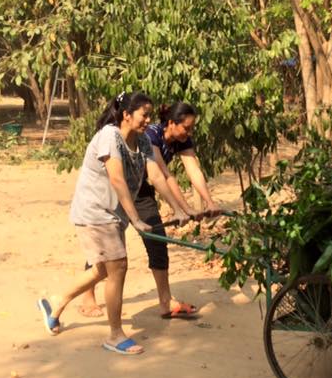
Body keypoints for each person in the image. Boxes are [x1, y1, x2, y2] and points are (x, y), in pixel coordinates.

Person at [36, 91, 190, 355]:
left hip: (112, 214)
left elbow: (155, 175)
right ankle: (115, 335)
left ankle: (56, 301)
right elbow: (117, 179)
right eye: (144, 114)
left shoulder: (141, 142)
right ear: (127, 115)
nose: (148, 120)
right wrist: (137, 219)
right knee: (118, 266)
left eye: (150, 115)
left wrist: (177, 209)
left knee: (103, 270)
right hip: (95, 210)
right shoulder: (110, 136)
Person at [78, 100, 220, 319]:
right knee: (106, 247)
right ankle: (87, 297)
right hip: (119, 191)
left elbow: (192, 170)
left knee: (157, 240)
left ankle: (165, 301)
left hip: (142, 193)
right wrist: (184, 209)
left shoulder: (174, 139)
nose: (189, 133)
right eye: (186, 127)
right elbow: (163, 175)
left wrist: (208, 203)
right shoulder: (150, 135)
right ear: (171, 123)